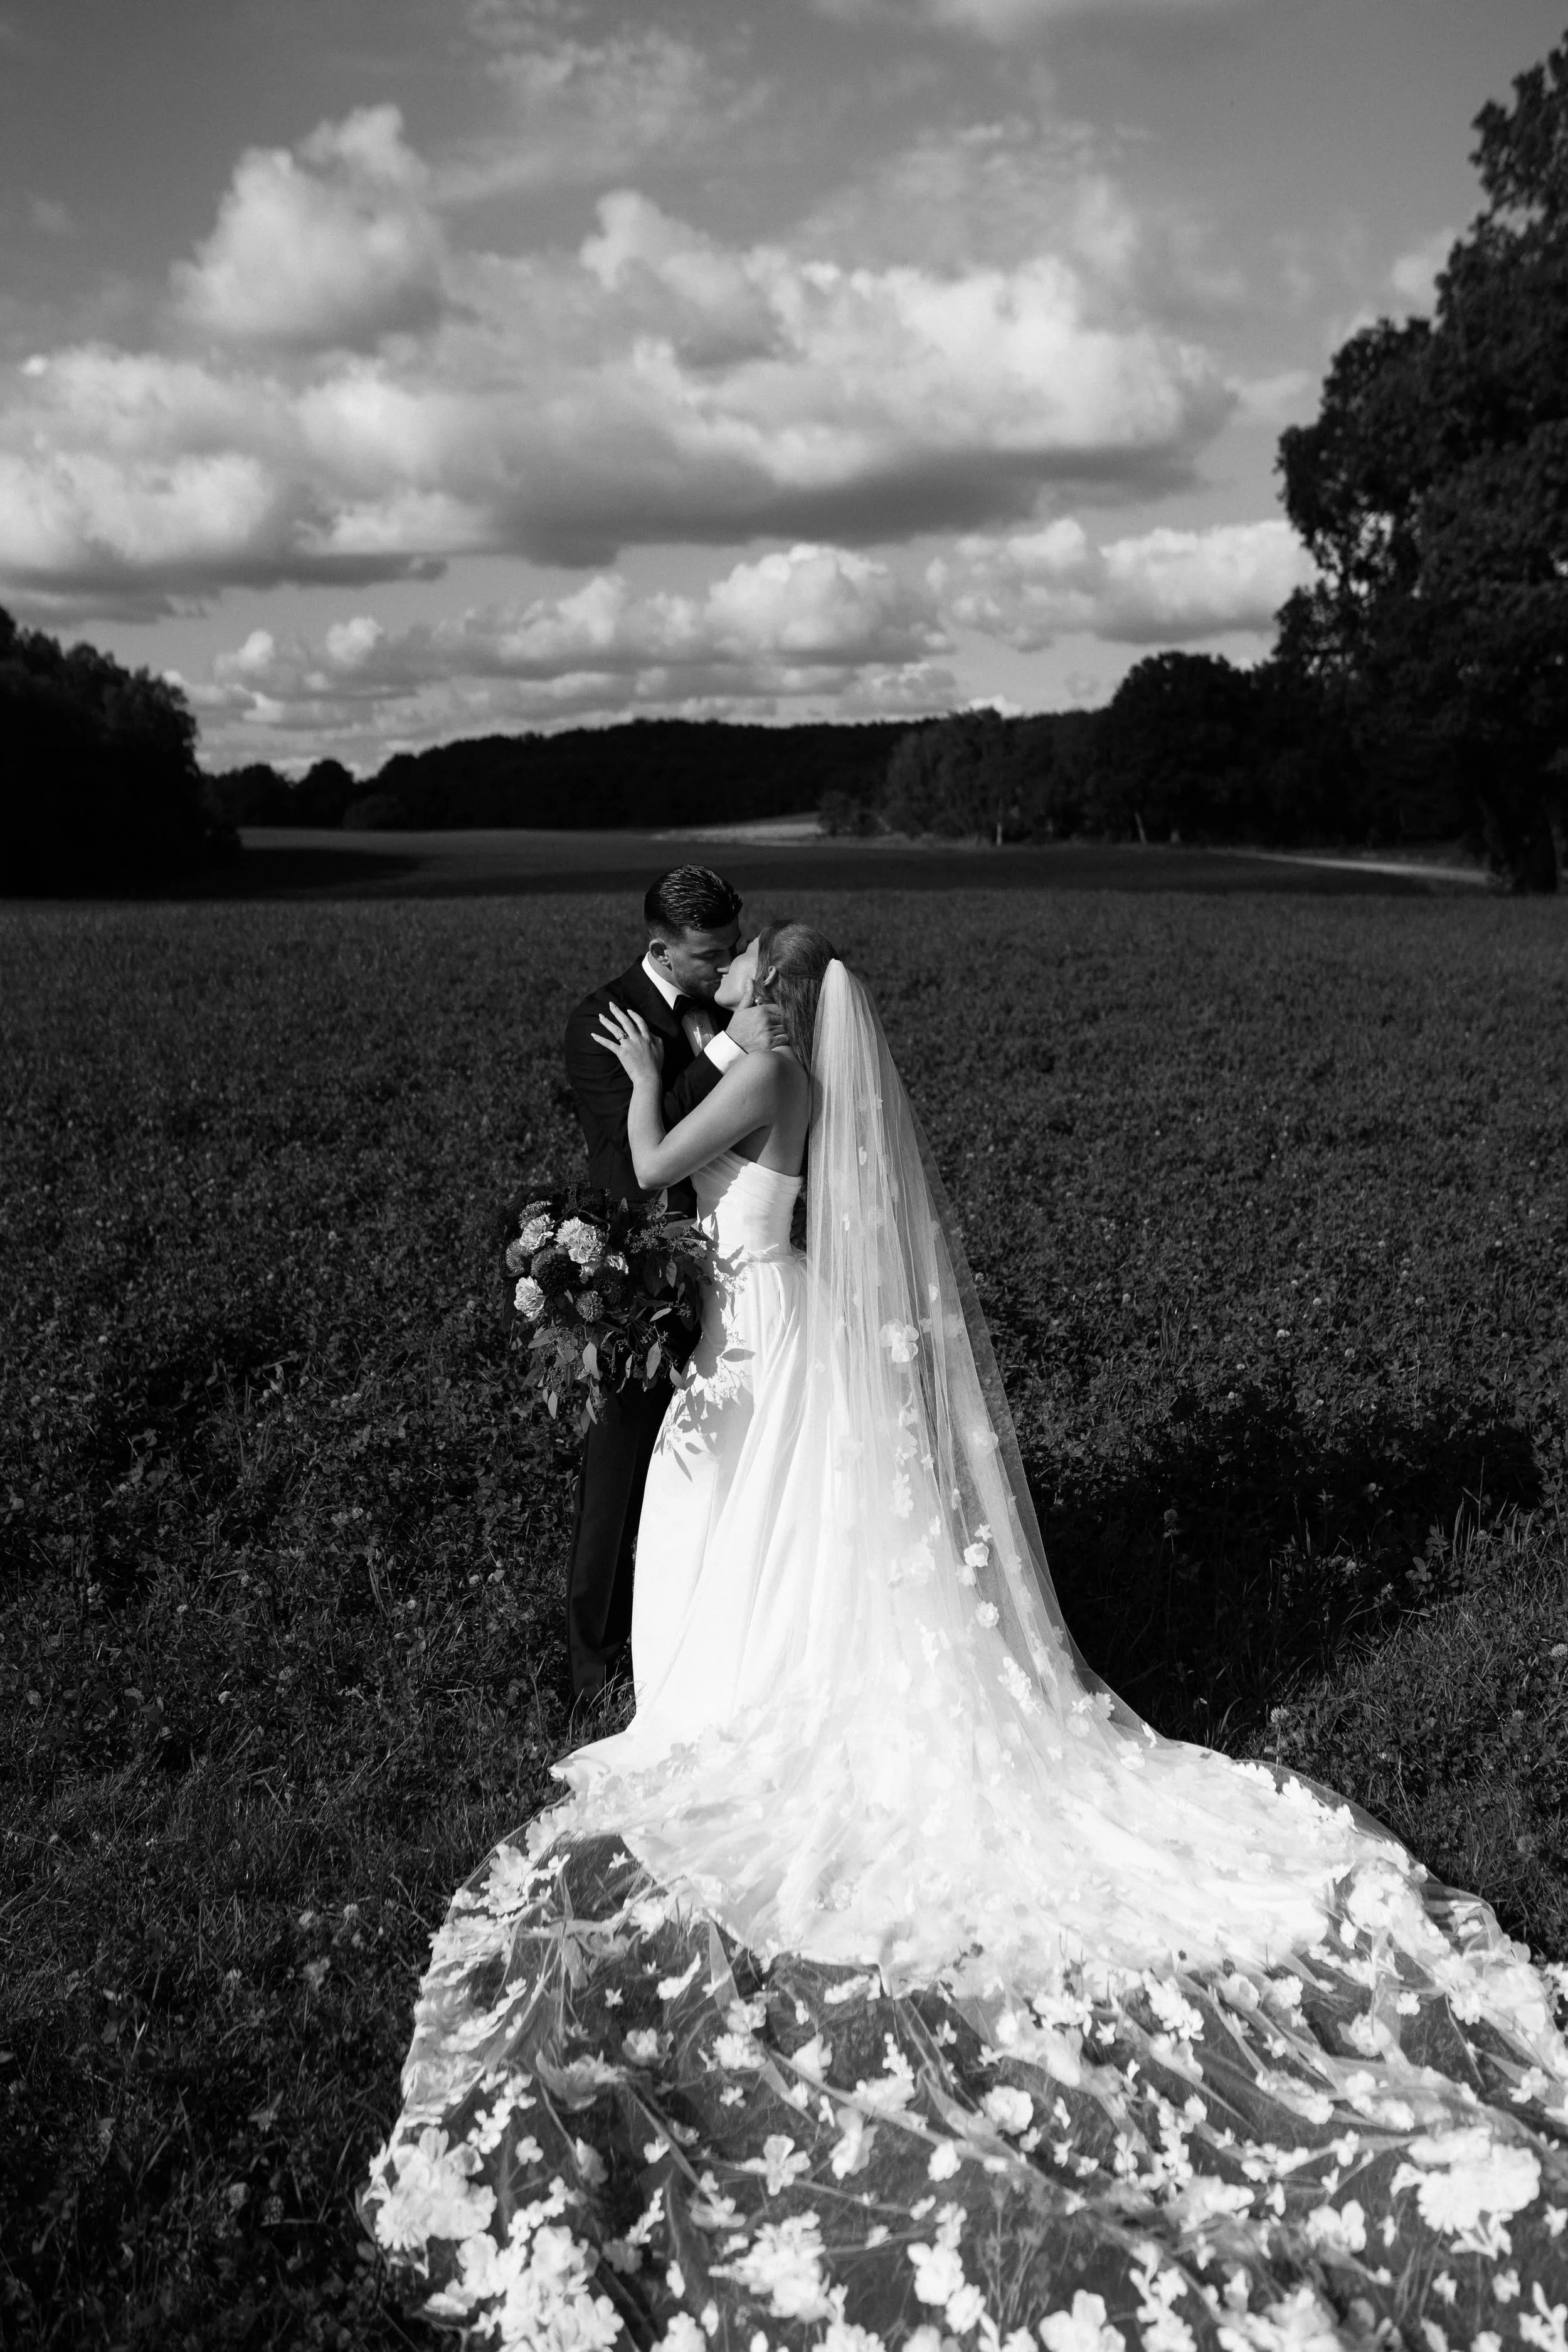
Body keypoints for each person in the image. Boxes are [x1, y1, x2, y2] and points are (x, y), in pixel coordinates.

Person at [368, 932, 1568, 2345]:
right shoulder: (776, 1068)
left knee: (744, 1537)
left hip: (753, 1327)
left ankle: (725, 1703)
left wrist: (637, 1077)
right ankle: (730, 1680)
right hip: (761, 1325)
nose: (731, 984)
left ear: (773, 999)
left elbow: (641, 1172)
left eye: (745, 969)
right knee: (771, 1539)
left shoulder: (750, 1072)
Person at [559, 866, 783, 1702]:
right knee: (617, 1478)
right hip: (643, 1283)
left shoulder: (733, 1003)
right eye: (708, 954)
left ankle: (701, 1649)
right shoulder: (604, 1023)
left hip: (744, 1275)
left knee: (719, 1475)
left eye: (731, 946)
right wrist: (724, 1053)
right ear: (660, 946)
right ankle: (591, 1675)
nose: (724, 965)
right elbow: (629, 1176)